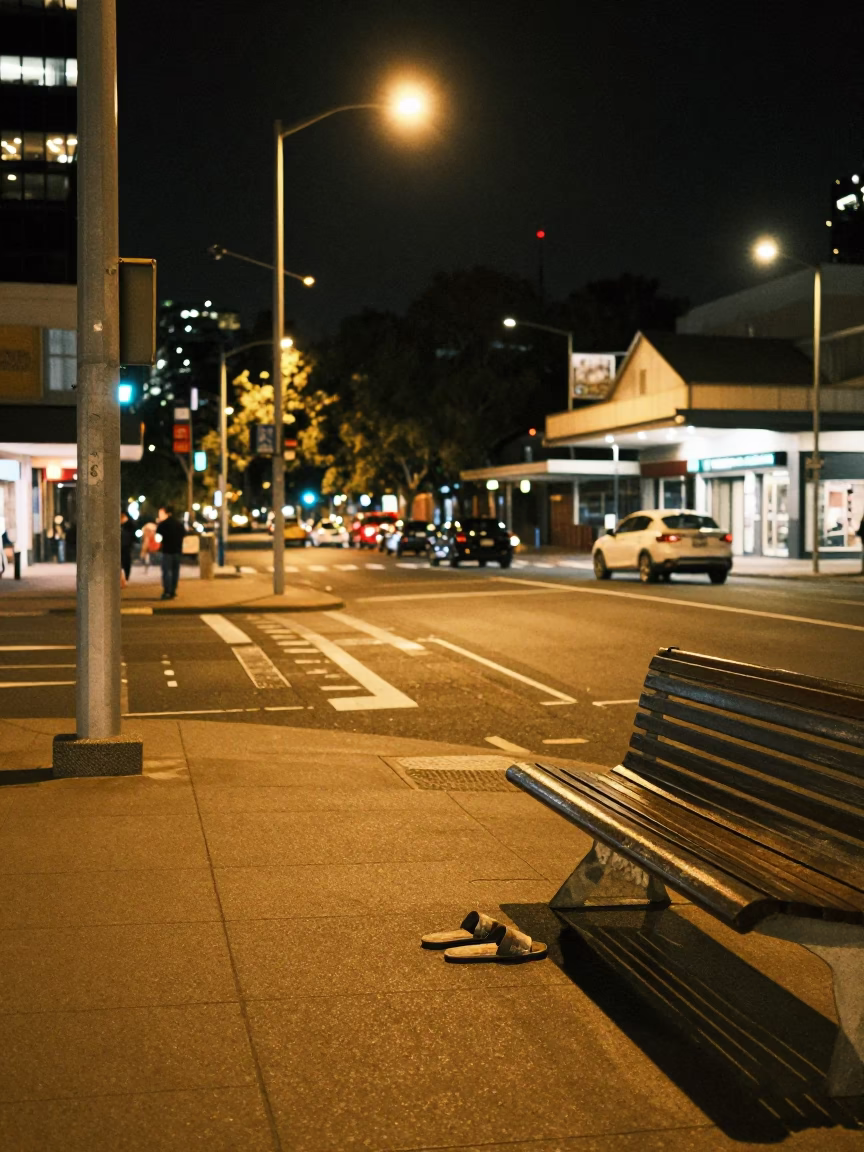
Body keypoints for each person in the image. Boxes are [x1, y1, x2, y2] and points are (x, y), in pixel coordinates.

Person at [155, 505, 184, 600]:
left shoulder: (163, 524)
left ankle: (167, 591)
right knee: (175, 572)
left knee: (167, 572)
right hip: (177, 551)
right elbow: (184, 535)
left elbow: (158, 538)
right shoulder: (179, 524)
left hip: (167, 551)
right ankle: (173, 591)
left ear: (166, 513)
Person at [120, 509, 135, 582]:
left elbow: (132, 535)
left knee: (126, 562)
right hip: (120, 546)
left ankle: (126, 577)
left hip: (126, 546)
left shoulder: (130, 524)